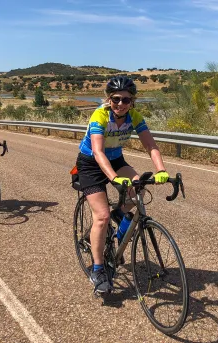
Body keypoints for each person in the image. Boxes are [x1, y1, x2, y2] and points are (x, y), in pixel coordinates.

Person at [75, 76, 170, 294]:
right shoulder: (100, 115)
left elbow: (150, 144)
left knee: (139, 188)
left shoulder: (134, 116)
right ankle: (98, 269)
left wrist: (161, 170)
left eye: (126, 100)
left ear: (132, 102)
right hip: (90, 162)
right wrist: (114, 179)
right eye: (116, 99)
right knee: (102, 216)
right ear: (109, 100)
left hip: (115, 159)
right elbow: (98, 152)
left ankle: (121, 219)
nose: (121, 104)